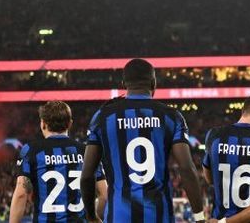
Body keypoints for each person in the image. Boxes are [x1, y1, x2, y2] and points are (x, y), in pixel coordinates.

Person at [81, 58, 206, 223]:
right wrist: (200, 217)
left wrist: (91, 215)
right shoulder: (171, 117)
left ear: (124, 84)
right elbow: (186, 168)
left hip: (118, 217)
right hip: (159, 216)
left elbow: (87, 175)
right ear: (154, 83)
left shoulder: (103, 117)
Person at [9, 100, 108, 222]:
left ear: (43, 124)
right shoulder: (86, 151)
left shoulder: (30, 150)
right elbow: (104, 195)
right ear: (70, 124)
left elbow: (21, 194)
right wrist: (92, 218)